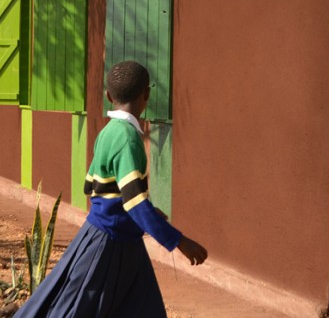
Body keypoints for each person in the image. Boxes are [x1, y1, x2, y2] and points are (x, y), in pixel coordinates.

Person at [14, 60, 207, 317]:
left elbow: (92, 186)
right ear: (146, 95)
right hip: (109, 244)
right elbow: (134, 202)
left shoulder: (107, 132)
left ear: (108, 96)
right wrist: (179, 241)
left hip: (116, 239)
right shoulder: (128, 138)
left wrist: (145, 212)